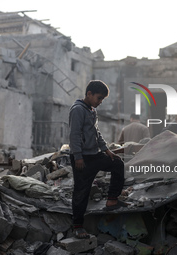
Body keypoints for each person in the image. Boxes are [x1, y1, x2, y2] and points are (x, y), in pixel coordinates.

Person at [69, 80, 127, 239]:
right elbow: (74, 135)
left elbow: (97, 133)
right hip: (82, 158)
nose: (100, 102)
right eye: (99, 98)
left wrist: (106, 150)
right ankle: (78, 226)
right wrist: (78, 156)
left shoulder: (91, 110)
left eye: (102, 99)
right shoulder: (77, 110)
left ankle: (112, 200)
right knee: (81, 191)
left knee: (118, 165)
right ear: (89, 94)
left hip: (95, 155)